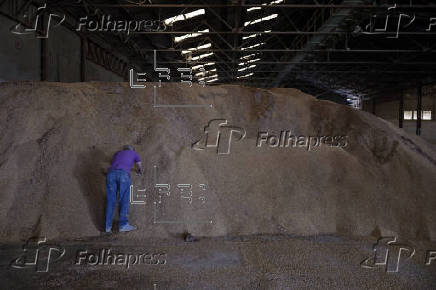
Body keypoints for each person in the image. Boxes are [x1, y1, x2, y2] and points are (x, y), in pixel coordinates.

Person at [105, 145, 143, 233]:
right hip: (123, 175)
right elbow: (139, 166)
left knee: (110, 201)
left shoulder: (117, 153)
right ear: (132, 150)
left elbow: (115, 163)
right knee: (123, 200)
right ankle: (123, 225)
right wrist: (140, 171)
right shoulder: (134, 153)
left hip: (110, 175)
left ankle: (107, 227)